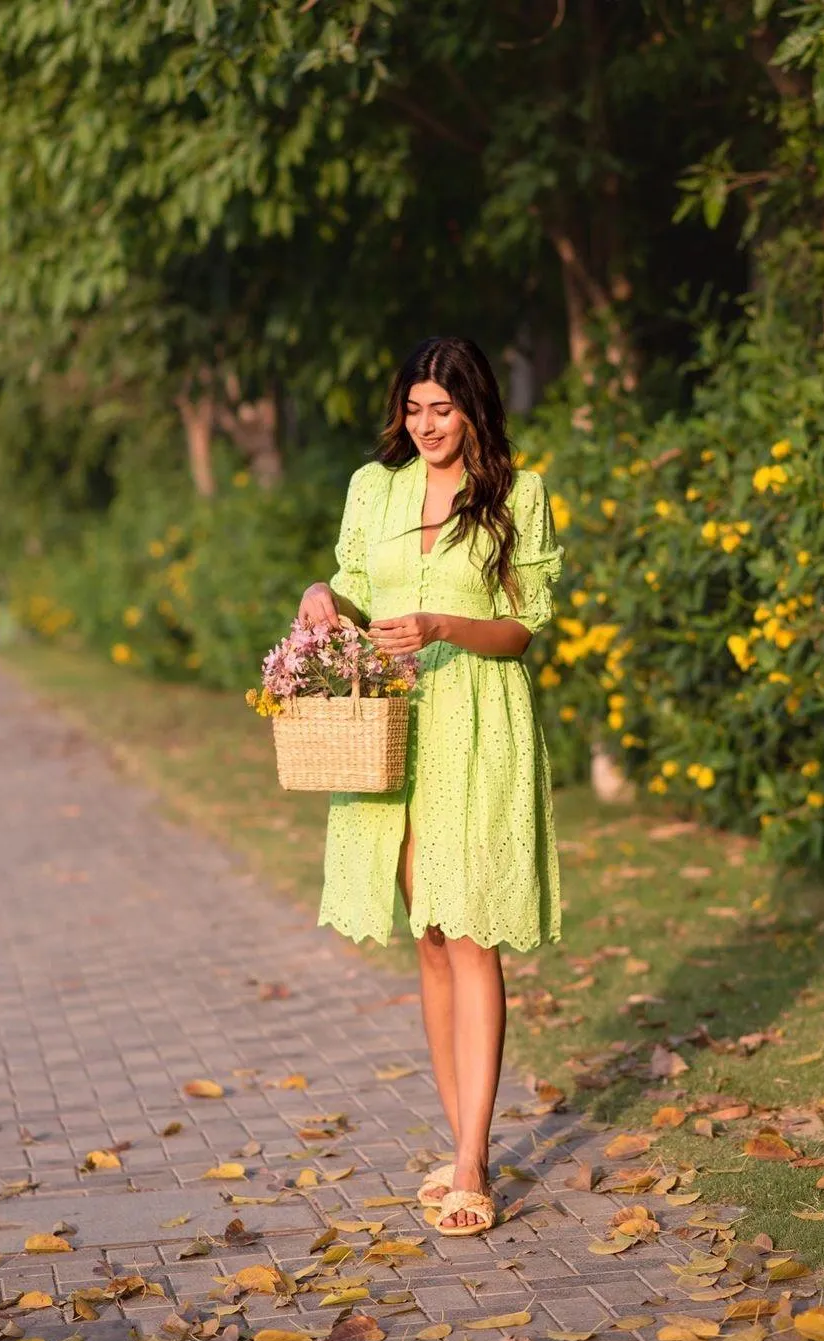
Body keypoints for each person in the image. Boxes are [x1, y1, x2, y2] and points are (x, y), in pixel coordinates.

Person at [298, 336, 564, 1237]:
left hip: (478, 719)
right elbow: (357, 590)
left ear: (474, 408)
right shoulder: (373, 488)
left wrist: (450, 621)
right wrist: (322, 598)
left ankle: (471, 1162)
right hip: (397, 724)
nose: (426, 426)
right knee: (430, 931)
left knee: (473, 930)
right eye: (414, 410)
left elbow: (525, 629)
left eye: (442, 410)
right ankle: (458, 1138)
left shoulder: (517, 496)